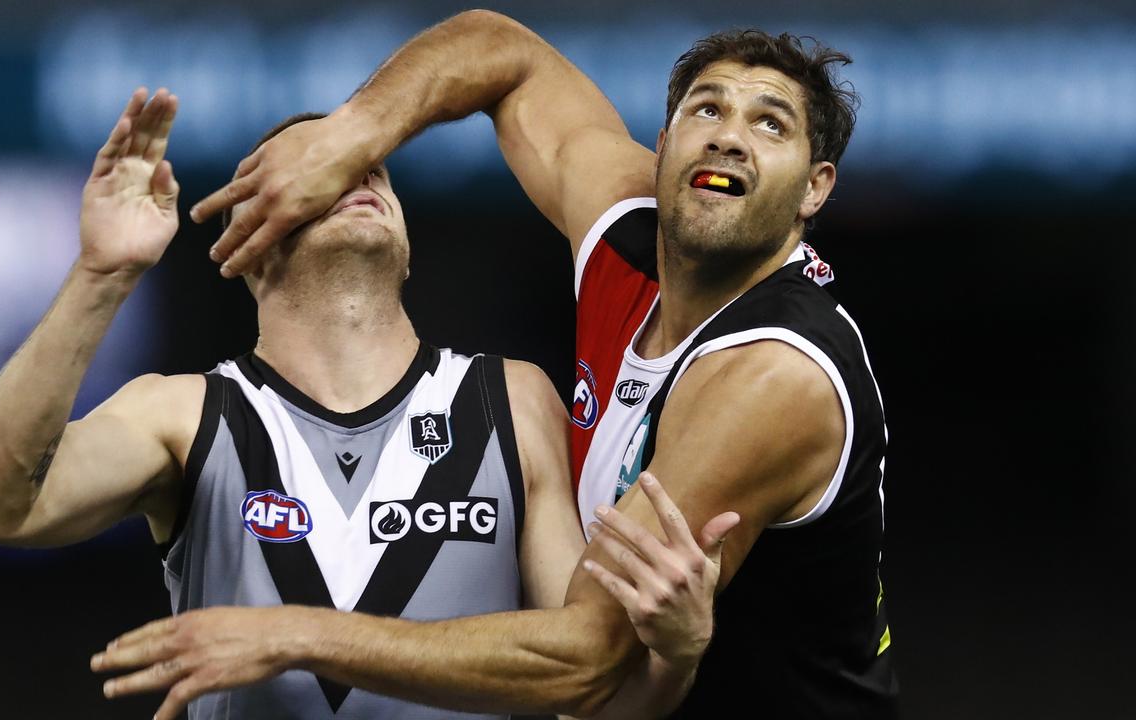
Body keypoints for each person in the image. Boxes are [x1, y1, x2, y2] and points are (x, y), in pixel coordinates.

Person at [96, 10, 898, 719]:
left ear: (813, 191)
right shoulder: (628, 232)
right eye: (708, 107)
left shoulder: (770, 373)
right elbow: (501, 50)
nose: (729, 134)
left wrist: (295, 631)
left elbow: (587, 658)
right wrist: (351, 137)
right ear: (662, 148)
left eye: (771, 125)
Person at [0, 89, 737, 720]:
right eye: (314, 171)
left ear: (405, 237)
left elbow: (588, 691)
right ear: (243, 239)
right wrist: (100, 275)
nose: (358, 176)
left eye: (372, 168)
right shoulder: (186, 414)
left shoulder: (511, 398)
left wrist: (677, 654)